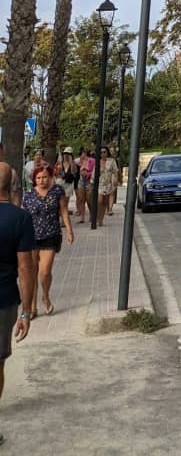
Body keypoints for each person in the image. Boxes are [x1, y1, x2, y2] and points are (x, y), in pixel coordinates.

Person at [0, 163, 35, 440]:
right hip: (4, 301)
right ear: (12, 186)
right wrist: (26, 311)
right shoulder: (20, 219)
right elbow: (25, 268)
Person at [22, 166, 73, 317]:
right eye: (38, 178)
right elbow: (24, 216)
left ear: (50, 177)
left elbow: (63, 211)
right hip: (31, 236)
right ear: (34, 179)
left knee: (44, 271)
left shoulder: (57, 191)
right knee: (32, 272)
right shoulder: (29, 195)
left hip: (51, 235)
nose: (41, 180)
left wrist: (69, 230)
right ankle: (32, 306)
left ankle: (45, 296)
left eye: (44, 177)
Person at [96, 148, 118, 227]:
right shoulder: (97, 162)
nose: (103, 154)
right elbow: (94, 172)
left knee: (104, 203)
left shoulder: (111, 161)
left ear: (107, 153)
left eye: (104, 152)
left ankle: (101, 220)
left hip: (108, 184)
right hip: (99, 184)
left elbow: (115, 171)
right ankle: (98, 217)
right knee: (99, 201)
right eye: (101, 152)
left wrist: (115, 181)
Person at [75, 148, 94, 224]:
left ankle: (92, 214)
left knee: (89, 199)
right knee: (81, 199)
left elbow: (94, 171)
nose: (82, 154)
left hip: (89, 181)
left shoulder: (92, 160)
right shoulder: (79, 161)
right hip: (81, 181)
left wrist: (87, 173)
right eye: (82, 152)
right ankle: (82, 217)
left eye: (84, 152)